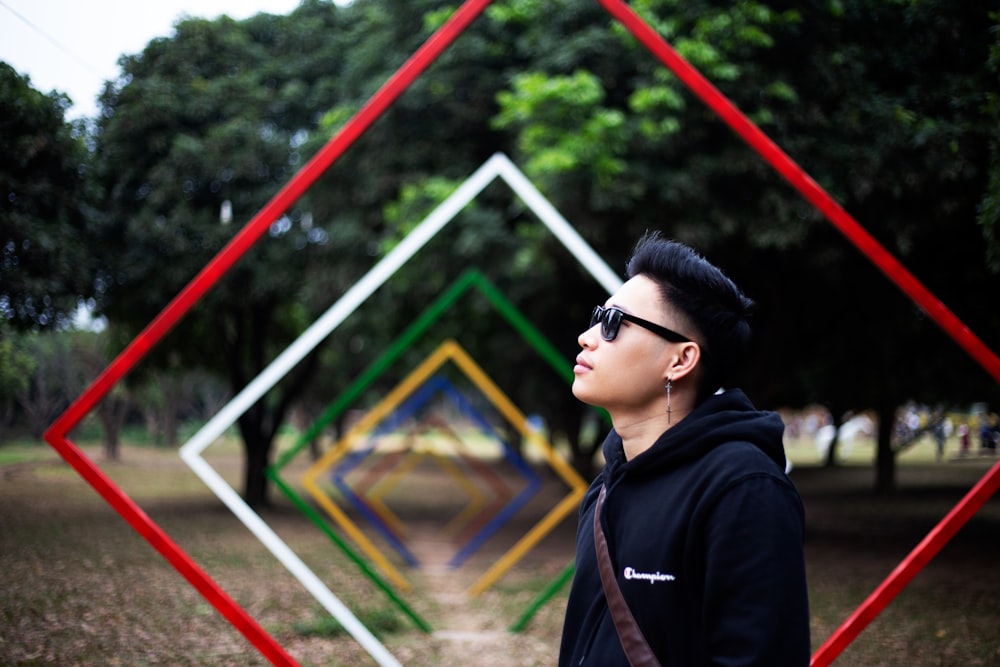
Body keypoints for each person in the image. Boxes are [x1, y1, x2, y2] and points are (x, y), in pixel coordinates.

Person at [559, 232, 811, 666]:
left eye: (614, 323)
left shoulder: (744, 489)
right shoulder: (606, 488)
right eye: (597, 317)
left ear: (681, 360)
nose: (587, 337)